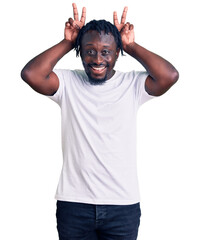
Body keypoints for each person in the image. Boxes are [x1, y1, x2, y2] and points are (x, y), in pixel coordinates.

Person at [21, 3, 179, 240]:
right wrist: (67, 42)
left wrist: (132, 46)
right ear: (80, 52)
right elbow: (30, 74)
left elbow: (170, 76)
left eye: (106, 51)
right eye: (89, 50)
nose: (97, 59)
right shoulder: (67, 82)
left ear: (117, 54)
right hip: (74, 205)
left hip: (122, 205)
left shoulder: (132, 85)